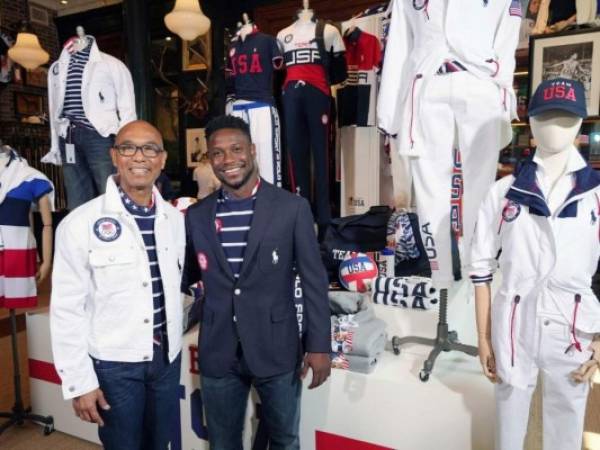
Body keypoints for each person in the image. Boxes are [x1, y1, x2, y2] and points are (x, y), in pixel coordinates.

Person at [182, 115, 331, 449]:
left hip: (277, 346)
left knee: (284, 439)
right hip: (218, 350)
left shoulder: (292, 208)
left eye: (236, 149)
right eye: (217, 153)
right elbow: (189, 273)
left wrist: (319, 344)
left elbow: (314, 281)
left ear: (252, 150)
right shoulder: (197, 215)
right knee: (222, 441)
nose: (228, 159)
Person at [470, 79, 600, 450]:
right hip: (514, 323)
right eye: (546, 117)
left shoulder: (595, 194)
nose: (555, 128)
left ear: (580, 123)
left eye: (566, 118)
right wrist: (482, 337)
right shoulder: (504, 192)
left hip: (574, 324)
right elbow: (480, 266)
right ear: (530, 123)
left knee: (567, 424)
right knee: (509, 425)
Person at [50, 120, 185, 450]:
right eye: (128, 147)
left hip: (166, 359)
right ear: (114, 156)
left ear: (162, 159)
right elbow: (67, 310)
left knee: (160, 443)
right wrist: (79, 382)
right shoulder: (79, 224)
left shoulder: (175, 219)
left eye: (150, 148)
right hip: (115, 365)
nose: (139, 156)